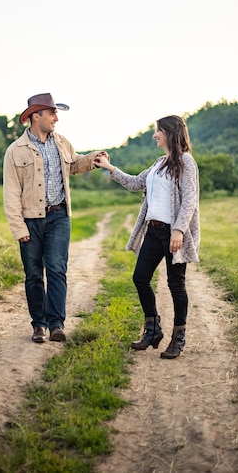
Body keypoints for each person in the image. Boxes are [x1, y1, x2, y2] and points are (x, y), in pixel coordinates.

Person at [3, 93, 108, 344]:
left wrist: (92, 159)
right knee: (34, 274)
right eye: (52, 113)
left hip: (59, 215)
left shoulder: (61, 142)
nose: (56, 118)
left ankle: (56, 324)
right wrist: (18, 227)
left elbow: (73, 165)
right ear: (35, 116)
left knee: (57, 270)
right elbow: (10, 192)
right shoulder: (15, 151)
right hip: (30, 220)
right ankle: (38, 325)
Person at [94, 115, 200, 359]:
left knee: (176, 285)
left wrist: (179, 230)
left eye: (158, 131)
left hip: (173, 233)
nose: (155, 135)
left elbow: (189, 200)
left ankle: (178, 337)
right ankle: (153, 329)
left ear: (170, 133)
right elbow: (134, 183)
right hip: (153, 231)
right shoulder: (158, 163)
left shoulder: (186, 162)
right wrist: (110, 167)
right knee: (140, 277)